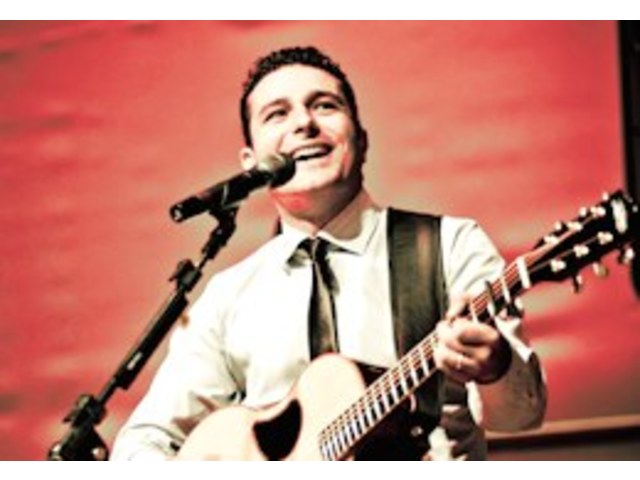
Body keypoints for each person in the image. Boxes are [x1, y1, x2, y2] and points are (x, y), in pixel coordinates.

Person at [111, 46, 546, 461]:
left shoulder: (449, 245)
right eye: (277, 113)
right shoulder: (228, 295)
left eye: (324, 106)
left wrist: (496, 367)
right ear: (250, 161)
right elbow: (144, 441)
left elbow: (521, 415)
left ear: (362, 140)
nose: (304, 123)